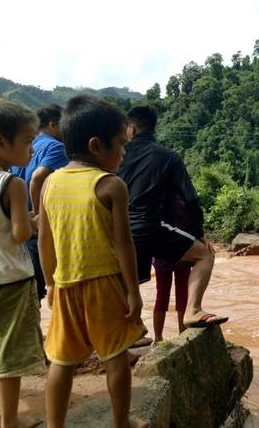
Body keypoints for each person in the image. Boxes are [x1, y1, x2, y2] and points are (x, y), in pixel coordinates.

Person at [39, 96, 147, 428]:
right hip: (104, 284)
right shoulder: (111, 185)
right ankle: (121, 423)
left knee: (61, 360)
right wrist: (133, 291)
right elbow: (124, 245)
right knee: (115, 357)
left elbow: (45, 240)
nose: (124, 152)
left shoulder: (50, 183)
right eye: (121, 144)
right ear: (96, 146)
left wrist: (50, 284)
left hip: (67, 283)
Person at [118, 105, 227, 328]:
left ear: (131, 128)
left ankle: (124, 334)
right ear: (153, 128)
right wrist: (199, 236)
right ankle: (193, 311)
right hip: (149, 228)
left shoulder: (115, 155)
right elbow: (192, 199)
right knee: (205, 256)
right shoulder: (168, 157)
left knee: (125, 282)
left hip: (117, 231)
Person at [0, 100, 45, 428]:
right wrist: (35, 221)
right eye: (28, 142)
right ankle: (10, 421)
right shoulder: (13, 184)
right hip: (11, 279)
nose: (32, 150)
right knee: (9, 356)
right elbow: (18, 234)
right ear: (0, 142)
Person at [12, 103, 68, 301]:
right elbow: (38, 177)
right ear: (53, 125)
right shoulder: (56, 147)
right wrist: (38, 213)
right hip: (38, 225)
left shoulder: (27, 146)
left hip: (20, 220)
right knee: (42, 284)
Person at [152, 195, 194, 343]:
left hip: (161, 253)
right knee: (182, 296)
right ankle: (183, 338)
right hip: (183, 252)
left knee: (162, 297)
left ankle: (157, 338)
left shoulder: (158, 197)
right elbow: (192, 226)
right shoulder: (185, 198)